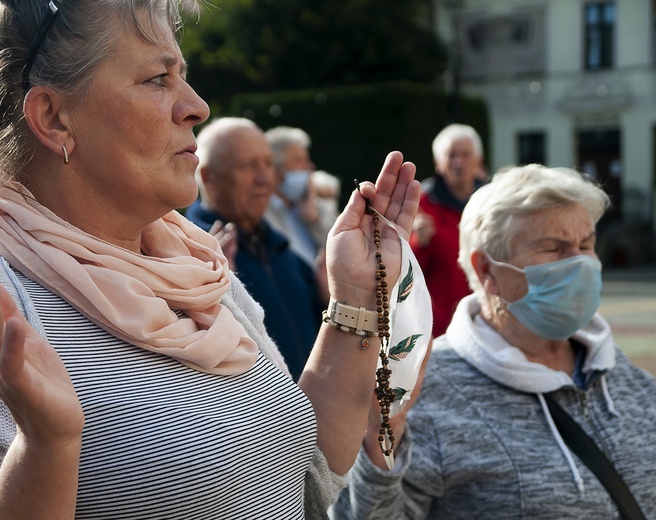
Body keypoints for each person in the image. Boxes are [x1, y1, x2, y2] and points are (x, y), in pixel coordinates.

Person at [0, 1, 423, 517]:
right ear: (53, 118)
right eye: (158, 79)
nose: (197, 106)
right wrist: (46, 448)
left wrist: (356, 297)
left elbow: (308, 481)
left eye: (183, 76)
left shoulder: (198, 275)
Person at [331, 164, 656, 519]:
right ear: (487, 270)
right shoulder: (424, 392)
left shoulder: (625, 376)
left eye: (586, 244)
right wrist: (382, 439)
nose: (580, 263)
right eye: (554, 248)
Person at [185, 117, 323, 380]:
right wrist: (221, 296)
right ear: (208, 176)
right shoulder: (188, 256)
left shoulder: (284, 252)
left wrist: (333, 299)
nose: (265, 179)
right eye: (248, 166)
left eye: (269, 164)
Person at [410, 123, 485, 337]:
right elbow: (405, 272)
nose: (458, 162)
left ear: (478, 160)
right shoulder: (420, 206)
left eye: (466, 154)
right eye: (451, 155)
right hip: (441, 330)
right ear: (438, 164)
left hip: (488, 324)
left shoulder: (493, 202)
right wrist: (419, 243)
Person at [264, 125, 322, 267]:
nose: (309, 166)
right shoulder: (262, 215)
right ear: (275, 168)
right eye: (298, 160)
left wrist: (314, 218)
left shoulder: (310, 202)